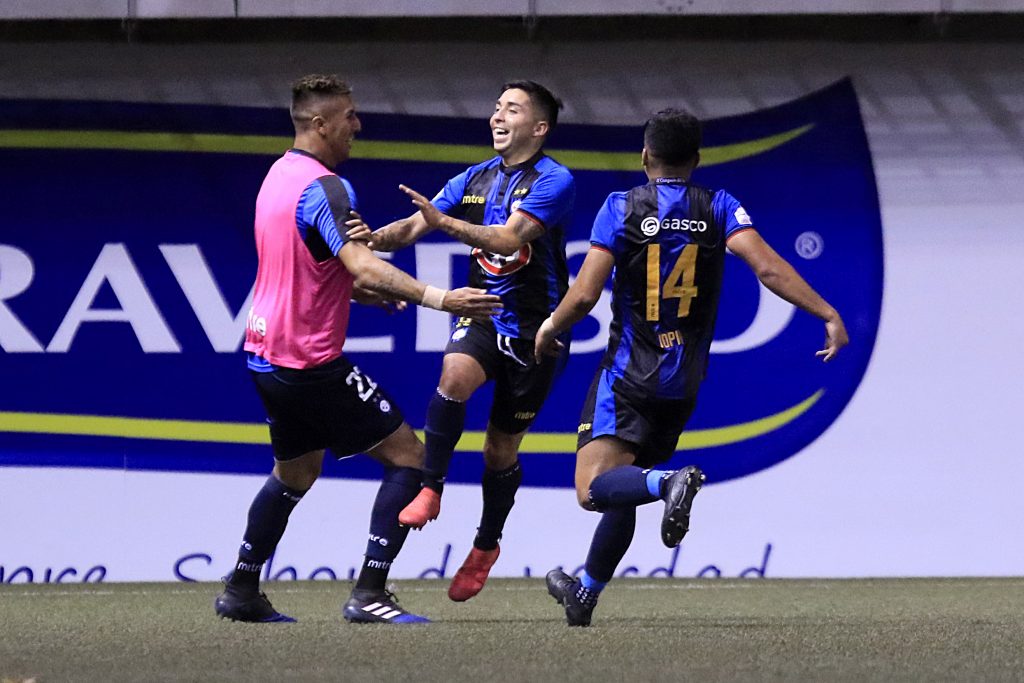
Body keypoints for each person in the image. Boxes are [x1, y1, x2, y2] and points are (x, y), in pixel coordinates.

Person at [535, 108, 849, 627]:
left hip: (628, 375)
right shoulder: (720, 206)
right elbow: (768, 267)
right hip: (682, 384)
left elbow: (586, 292)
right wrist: (828, 313)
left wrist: (550, 326)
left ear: (644, 156)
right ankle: (584, 593)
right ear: (697, 160)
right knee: (625, 486)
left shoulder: (619, 207)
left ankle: (670, 485)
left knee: (595, 487)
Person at [213, 74, 501, 625]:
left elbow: (311, 264)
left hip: (264, 354)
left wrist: (358, 293)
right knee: (411, 459)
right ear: (319, 124)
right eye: (349, 115)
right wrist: (441, 298)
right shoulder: (327, 188)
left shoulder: (277, 176)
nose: (357, 124)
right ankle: (370, 591)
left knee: (294, 473)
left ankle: (242, 589)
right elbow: (361, 261)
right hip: (308, 361)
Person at [354, 80, 575, 602]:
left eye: (512, 110)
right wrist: (368, 239)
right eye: (496, 107)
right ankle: (431, 487)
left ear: (539, 128)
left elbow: (507, 238)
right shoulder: (475, 177)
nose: (498, 116)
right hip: (483, 311)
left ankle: (485, 544)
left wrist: (443, 221)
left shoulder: (555, 179)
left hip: (537, 332)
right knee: (453, 375)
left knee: (500, 451)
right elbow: (411, 229)